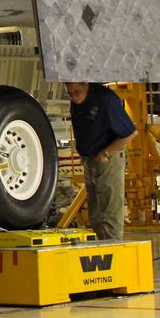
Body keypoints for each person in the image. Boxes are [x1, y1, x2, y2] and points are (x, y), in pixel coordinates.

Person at [66, 81, 137, 241]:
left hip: (106, 158)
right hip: (89, 159)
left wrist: (105, 152)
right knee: (96, 211)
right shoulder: (76, 100)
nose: (74, 97)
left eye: (76, 92)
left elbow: (130, 133)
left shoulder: (106, 100)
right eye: (70, 93)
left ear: (86, 84)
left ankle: (113, 245)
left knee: (109, 208)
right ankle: (103, 243)